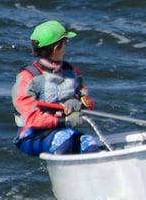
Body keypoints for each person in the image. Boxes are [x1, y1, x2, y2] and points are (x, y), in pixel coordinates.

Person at [12, 20, 102, 156]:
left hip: (64, 131)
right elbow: (31, 118)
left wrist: (79, 103)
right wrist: (64, 120)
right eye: (65, 42)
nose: (66, 46)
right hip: (32, 134)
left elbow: (87, 101)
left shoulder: (73, 72)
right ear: (56, 48)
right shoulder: (28, 77)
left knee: (92, 144)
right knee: (65, 141)